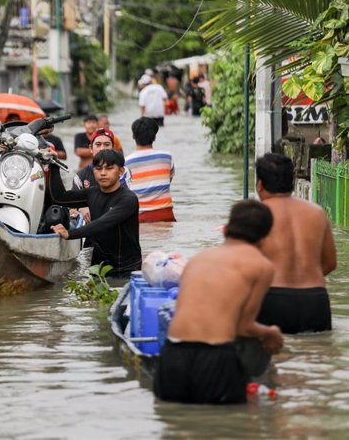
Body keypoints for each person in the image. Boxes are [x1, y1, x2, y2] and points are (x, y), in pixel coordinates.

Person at [154, 200, 284, 404]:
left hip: (172, 356)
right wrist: (271, 333)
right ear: (265, 238)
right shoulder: (261, 265)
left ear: (226, 230)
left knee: (175, 426)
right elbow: (243, 327)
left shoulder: (198, 259)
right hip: (214, 359)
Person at [255, 153, 337, 334]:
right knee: (318, 357)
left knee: (276, 358)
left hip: (273, 298)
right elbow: (331, 263)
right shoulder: (317, 213)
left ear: (259, 185)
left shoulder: (256, 215)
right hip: (315, 300)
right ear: (292, 182)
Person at [48, 149, 142, 276]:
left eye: (109, 168)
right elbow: (59, 197)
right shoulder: (92, 193)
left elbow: (102, 224)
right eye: (98, 168)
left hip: (125, 270)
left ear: (120, 171)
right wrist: (53, 164)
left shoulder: (128, 199)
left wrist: (69, 233)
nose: (103, 173)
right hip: (98, 268)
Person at [124, 117, 176, 223]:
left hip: (139, 217)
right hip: (166, 214)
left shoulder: (125, 162)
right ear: (154, 137)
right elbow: (168, 181)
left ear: (133, 136)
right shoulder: (167, 157)